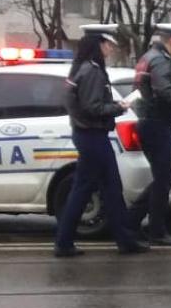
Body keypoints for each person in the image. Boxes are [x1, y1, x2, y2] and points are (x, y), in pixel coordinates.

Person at [55, 26, 149, 258]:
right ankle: (121, 240)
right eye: (108, 44)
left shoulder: (82, 69)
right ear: (99, 45)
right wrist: (119, 107)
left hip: (88, 136)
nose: (111, 49)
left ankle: (70, 241)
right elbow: (93, 107)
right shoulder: (93, 72)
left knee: (96, 188)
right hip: (93, 136)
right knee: (103, 189)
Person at [127, 23, 171, 247]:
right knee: (165, 177)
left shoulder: (147, 57)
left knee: (164, 177)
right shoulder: (161, 60)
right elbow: (164, 90)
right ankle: (153, 229)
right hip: (157, 122)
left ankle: (136, 223)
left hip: (148, 121)